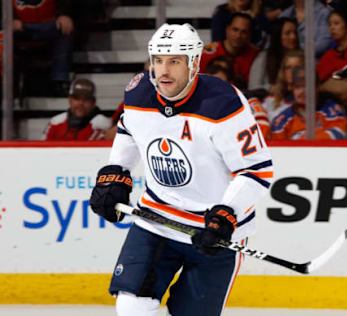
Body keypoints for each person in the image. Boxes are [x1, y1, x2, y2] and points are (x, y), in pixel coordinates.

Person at [89, 23, 273, 316]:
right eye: (158, 60)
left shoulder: (223, 103)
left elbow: (256, 171)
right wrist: (116, 171)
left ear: (194, 63)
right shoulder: (139, 93)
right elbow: (127, 128)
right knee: (131, 308)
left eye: (174, 61)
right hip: (156, 219)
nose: (163, 71)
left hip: (214, 234)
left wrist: (226, 213)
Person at [13, 0, 74, 96]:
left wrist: (64, 15)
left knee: (65, 30)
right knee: (6, 34)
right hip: (20, 28)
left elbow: (66, 5)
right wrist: (9, 20)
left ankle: (60, 81)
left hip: (50, 26)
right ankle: (12, 85)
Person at [270, 66, 347, 140]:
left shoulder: (331, 109)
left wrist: (303, 141)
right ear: (292, 89)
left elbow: (339, 133)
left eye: (307, 86)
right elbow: (276, 149)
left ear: (317, 87)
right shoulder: (282, 120)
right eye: (298, 87)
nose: (303, 91)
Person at [200, 12, 260, 87]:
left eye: (244, 32)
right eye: (235, 30)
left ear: (250, 34)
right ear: (227, 29)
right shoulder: (206, 54)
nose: (238, 36)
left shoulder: (256, 55)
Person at [43, 78, 111, 140]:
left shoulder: (103, 125)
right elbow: (42, 151)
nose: (81, 103)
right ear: (70, 100)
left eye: (86, 99)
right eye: (77, 98)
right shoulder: (55, 123)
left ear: (93, 103)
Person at [248, 17, 299, 90]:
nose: (293, 37)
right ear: (278, 35)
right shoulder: (264, 58)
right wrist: (273, 88)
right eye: (288, 33)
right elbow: (253, 87)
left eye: (295, 33)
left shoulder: (302, 57)